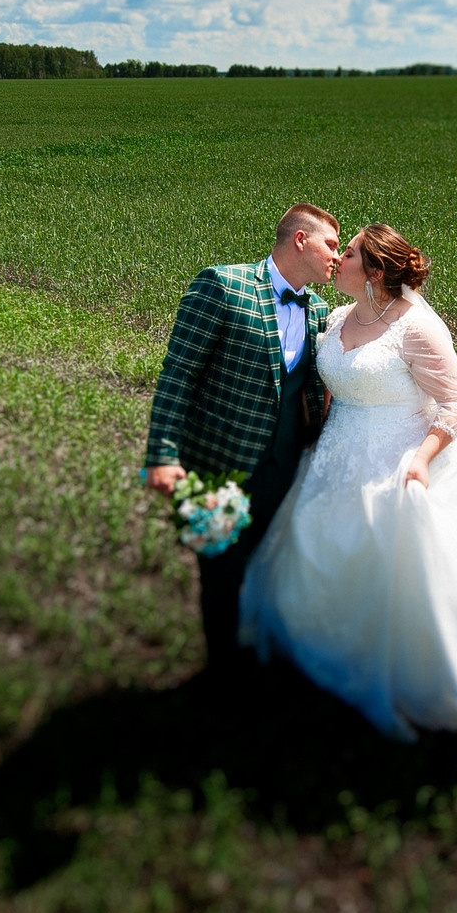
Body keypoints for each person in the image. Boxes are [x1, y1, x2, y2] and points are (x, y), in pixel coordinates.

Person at [239, 224, 457, 745]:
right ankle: (322, 660)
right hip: (335, 454)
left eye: (351, 253)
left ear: (376, 271)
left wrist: (422, 460)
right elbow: (337, 385)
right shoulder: (336, 317)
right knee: (315, 551)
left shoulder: (416, 328)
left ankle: (416, 679)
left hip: (394, 456)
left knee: (392, 567)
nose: (339, 260)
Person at [144, 203, 340, 677]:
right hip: (218, 463)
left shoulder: (319, 311)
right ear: (300, 240)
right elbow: (178, 375)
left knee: (262, 566)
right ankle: (220, 675)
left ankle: (254, 658)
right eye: (331, 244)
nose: (337, 255)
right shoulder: (222, 284)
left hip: (283, 470)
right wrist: (163, 455)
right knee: (220, 573)